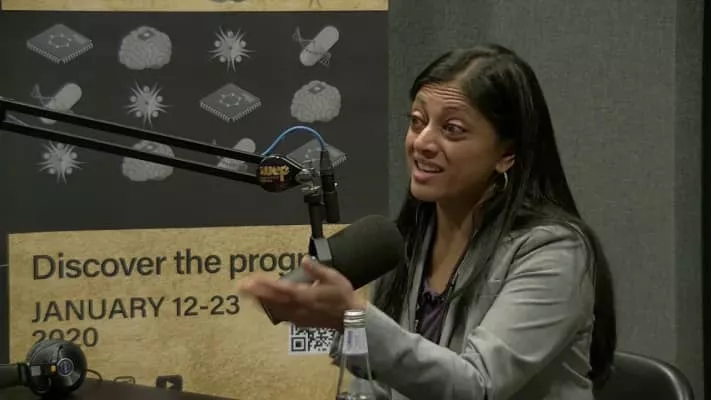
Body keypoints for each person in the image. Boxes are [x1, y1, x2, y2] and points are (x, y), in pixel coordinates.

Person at [237, 43, 617, 400]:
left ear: (507, 154)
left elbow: (478, 386)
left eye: (452, 129)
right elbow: (380, 380)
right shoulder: (411, 238)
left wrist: (354, 317)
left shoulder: (554, 252)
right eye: (418, 122)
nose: (422, 142)